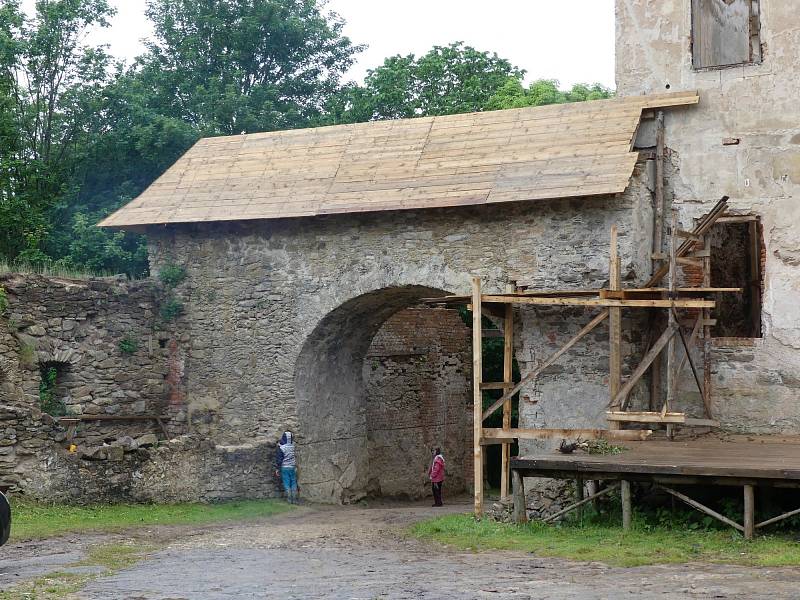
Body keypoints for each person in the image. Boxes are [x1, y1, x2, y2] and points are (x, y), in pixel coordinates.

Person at [274, 431, 299, 504]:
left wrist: (277, 469)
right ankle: (294, 499)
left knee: (286, 482)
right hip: (292, 467)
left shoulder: (281, 448)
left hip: (284, 467)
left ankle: (289, 498)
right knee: (293, 482)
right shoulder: (293, 446)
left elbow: (279, 460)